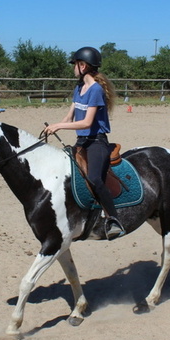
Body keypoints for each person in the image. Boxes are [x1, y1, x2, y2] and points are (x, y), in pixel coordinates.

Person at [43, 46, 125, 240]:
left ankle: (114, 220)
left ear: (84, 66)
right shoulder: (79, 88)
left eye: (76, 64)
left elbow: (87, 122)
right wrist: (54, 126)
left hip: (96, 141)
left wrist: (60, 126)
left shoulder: (96, 90)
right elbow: (70, 116)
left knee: (95, 178)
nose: (73, 68)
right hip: (81, 141)